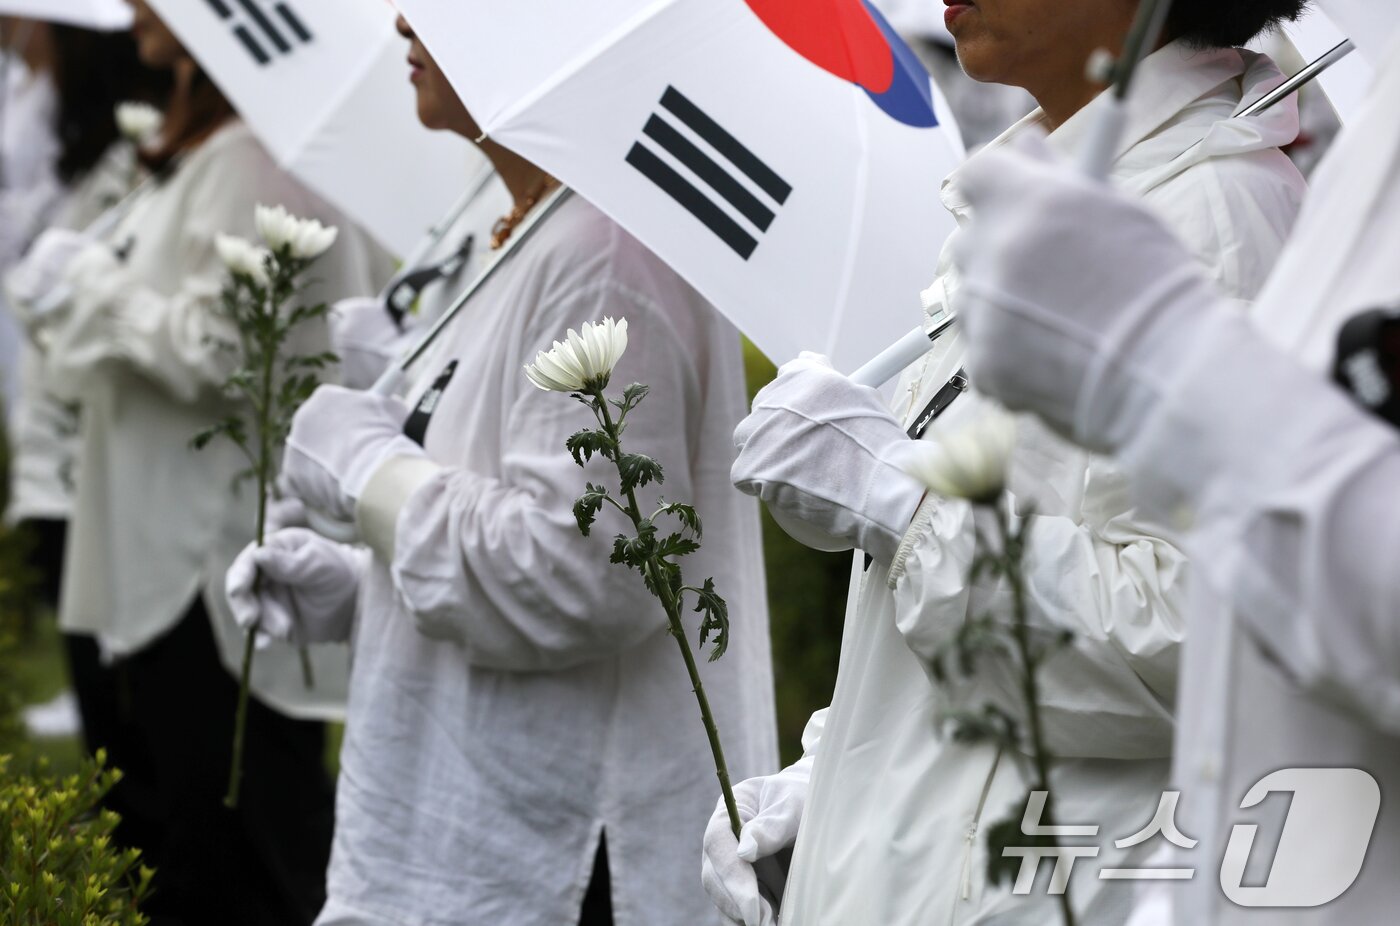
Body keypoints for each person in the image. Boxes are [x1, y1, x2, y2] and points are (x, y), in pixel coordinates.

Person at [706, 1, 1309, 923]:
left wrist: (893, 497)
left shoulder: (1212, 220)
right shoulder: (1061, 192)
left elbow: (1204, 643)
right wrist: (825, 782)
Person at [227, 15, 778, 926]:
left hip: (556, 855)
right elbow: (517, 507)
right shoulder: (533, 226)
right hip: (475, 821)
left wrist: (368, 475)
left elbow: (587, 576)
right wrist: (368, 585)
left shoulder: (606, 259)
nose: (406, 19)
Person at [947, 6, 1400, 921]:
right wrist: (836, 771)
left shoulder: (1214, 206)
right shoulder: (1372, 140)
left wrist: (902, 516)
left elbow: (1172, 626)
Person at [8, 1, 393, 922]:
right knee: (190, 842)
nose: (133, 9)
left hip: (215, 569)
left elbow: (225, 352)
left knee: (244, 847)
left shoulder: (253, 161)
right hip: (169, 560)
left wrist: (95, 287)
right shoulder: (206, 152)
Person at [3, 16, 169, 759]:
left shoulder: (137, 157)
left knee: (129, 730)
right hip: (54, 446)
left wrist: (75, 282)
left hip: (88, 458)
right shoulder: (93, 151)